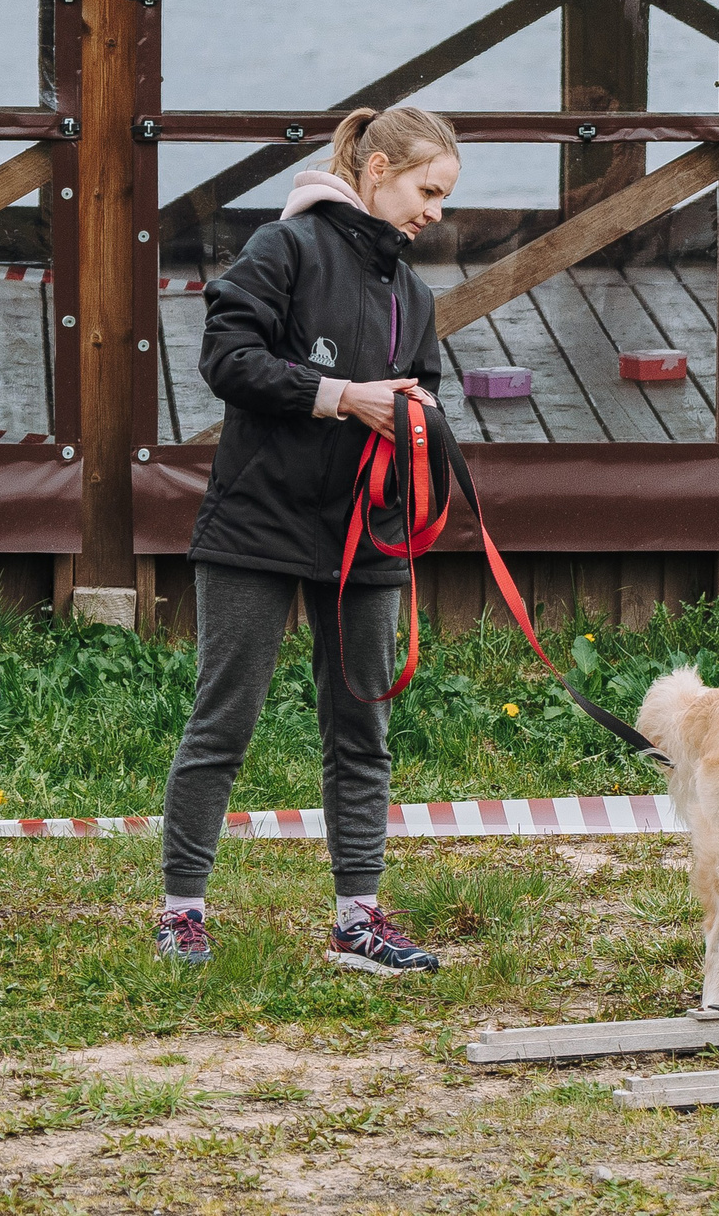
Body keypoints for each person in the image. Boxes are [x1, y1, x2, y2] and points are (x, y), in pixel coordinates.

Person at [153, 106, 462, 971]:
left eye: (442, 197)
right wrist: (342, 395)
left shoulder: (414, 294)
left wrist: (414, 418)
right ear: (377, 171)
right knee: (225, 723)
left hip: (367, 538)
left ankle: (358, 920)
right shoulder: (282, 249)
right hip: (257, 524)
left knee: (362, 729)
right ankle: (181, 912)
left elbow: (423, 399)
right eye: (425, 190)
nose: (434, 212)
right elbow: (226, 359)